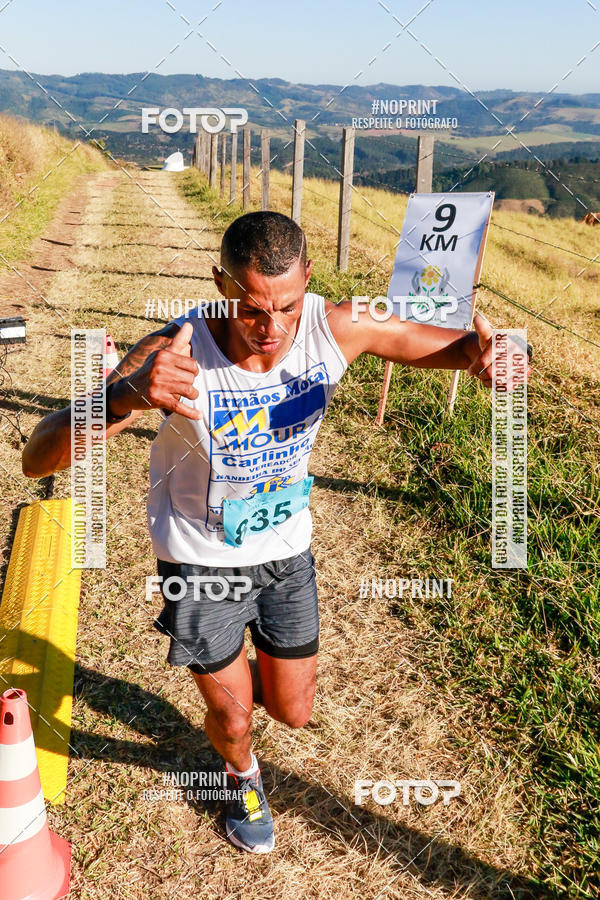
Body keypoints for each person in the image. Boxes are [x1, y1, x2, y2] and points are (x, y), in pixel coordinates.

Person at [22, 211, 530, 854]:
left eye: (287, 306)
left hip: (286, 551)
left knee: (293, 710)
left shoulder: (337, 325)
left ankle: (231, 672)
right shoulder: (176, 351)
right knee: (235, 719)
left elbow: (459, 346)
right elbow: (37, 455)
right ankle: (240, 772)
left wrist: (503, 354)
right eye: (252, 310)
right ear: (219, 283)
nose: (272, 329)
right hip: (200, 562)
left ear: (309, 281)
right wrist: (126, 397)